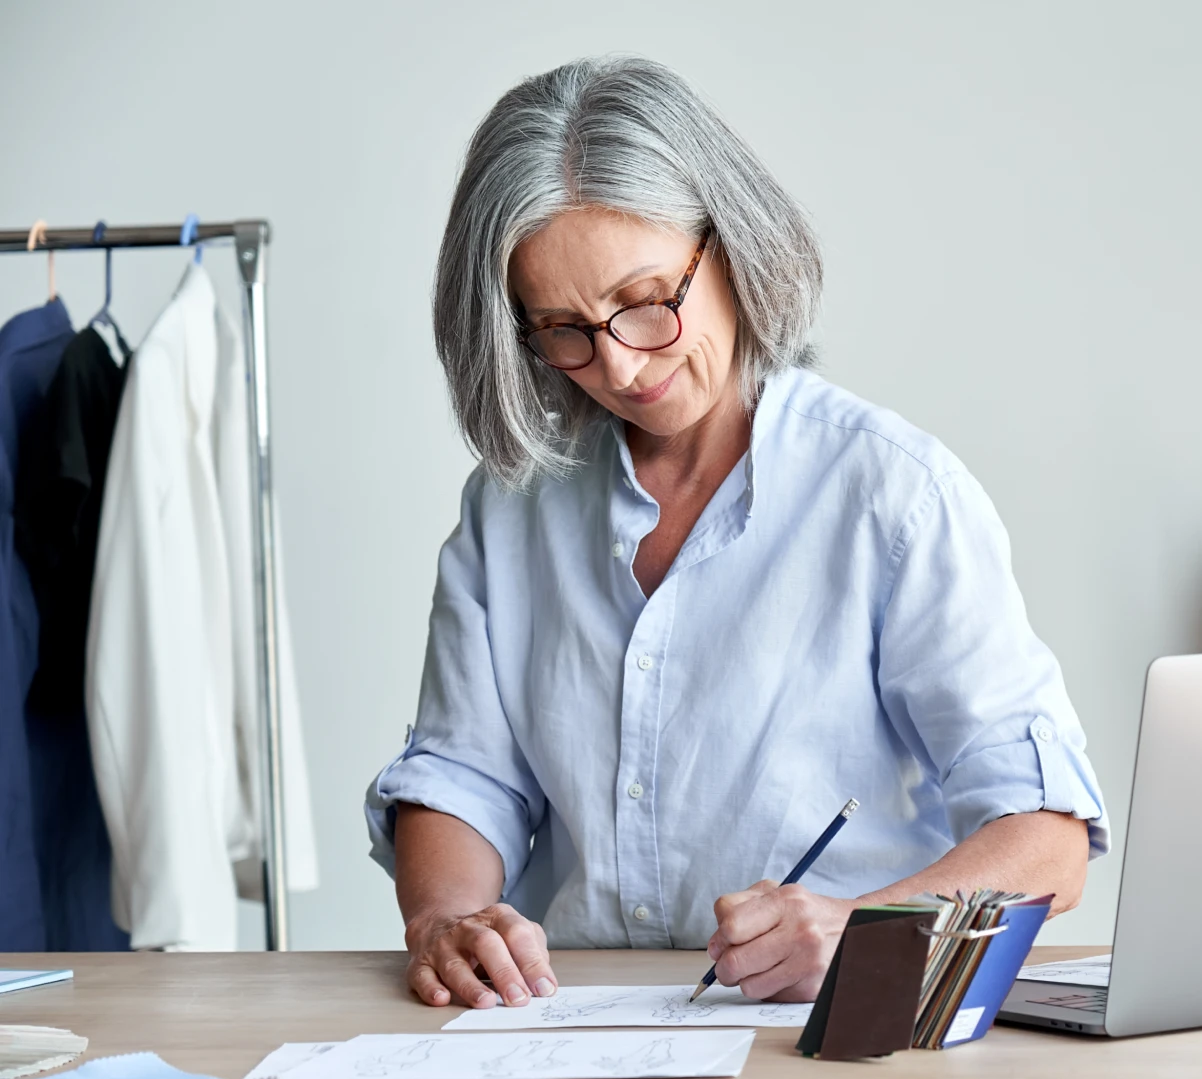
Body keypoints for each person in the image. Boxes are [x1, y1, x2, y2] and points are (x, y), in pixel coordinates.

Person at [366, 57, 1106, 1010]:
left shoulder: (894, 496)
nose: (621, 366)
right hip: (573, 1031)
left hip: (827, 1039)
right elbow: (467, 777)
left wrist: (862, 933)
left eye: (645, 303)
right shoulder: (511, 505)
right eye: (565, 330)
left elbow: (1046, 835)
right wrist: (444, 920)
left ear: (731, 244)